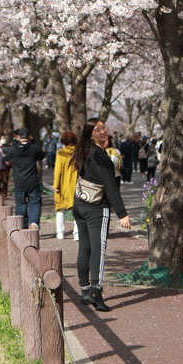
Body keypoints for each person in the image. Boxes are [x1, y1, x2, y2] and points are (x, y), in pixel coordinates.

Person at [69, 117, 132, 312]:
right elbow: (110, 186)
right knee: (98, 249)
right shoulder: (99, 156)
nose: (103, 132)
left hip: (80, 204)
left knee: (85, 248)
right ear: (90, 134)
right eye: (97, 130)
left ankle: (85, 289)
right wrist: (122, 214)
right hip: (97, 207)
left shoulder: (84, 151)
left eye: (103, 127)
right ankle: (96, 291)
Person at [4, 128, 45, 229]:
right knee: (35, 202)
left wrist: (15, 145)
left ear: (18, 136)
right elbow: (42, 155)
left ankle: (22, 227)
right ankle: (34, 222)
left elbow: (6, 159)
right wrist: (33, 142)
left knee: (21, 204)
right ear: (29, 136)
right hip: (32, 180)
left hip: (19, 181)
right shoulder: (34, 148)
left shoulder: (13, 149)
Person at [53, 131, 79, 240]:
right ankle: (77, 233)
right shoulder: (78, 152)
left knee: (60, 209)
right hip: (75, 184)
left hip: (62, 184)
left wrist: (56, 185)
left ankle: (60, 232)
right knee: (77, 210)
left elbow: (58, 170)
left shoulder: (60, 153)